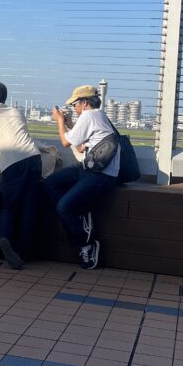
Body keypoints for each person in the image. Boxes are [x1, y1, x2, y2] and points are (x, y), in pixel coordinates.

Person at [47, 84, 120, 270]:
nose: (74, 108)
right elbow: (80, 147)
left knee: (63, 207)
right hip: (91, 168)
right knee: (51, 183)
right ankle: (79, 214)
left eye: (75, 104)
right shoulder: (100, 116)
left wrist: (60, 121)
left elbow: (65, 142)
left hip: (100, 175)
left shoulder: (89, 116)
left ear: (85, 103)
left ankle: (86, 245)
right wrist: (70, 123)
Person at [0, 81, 43, 270]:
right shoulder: (16, 111)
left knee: (8, 206)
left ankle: (5, 238)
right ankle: (24, 253)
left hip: (13, 163)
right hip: (34, 158)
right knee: (29, 207)